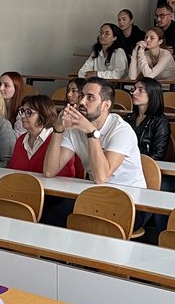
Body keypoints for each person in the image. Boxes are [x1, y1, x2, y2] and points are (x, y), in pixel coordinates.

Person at [44, 77, 146, 216]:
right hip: (96, 195)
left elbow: (101, 177)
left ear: (106, 105)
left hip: (130, 202)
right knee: (49, 215)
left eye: (90, 97)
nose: (81, 102)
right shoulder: (75, 126)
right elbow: (50, 171)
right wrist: (58, 129)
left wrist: (91, 132)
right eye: (81, 96)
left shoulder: (121, 130)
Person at [9, 95, 79, 177]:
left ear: (43, 114)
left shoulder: (59, 139)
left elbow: (65, 176)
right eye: (22, 111)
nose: (23, 116)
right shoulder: (21, 140)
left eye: (28, 112)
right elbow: (12, 170)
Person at [129, 77, 169, 160]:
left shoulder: (160, 121)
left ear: (152, 94)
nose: (134, 93)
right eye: (134, 89)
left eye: (141, 90)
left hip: (146, 166)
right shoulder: (128, 118)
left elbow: (158, 154)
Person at [0, 71, 30, 136]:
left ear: (16, 88)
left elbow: (16, 140)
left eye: (6, 85)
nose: (0, 88)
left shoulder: (22, 112)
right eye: (0, 84)